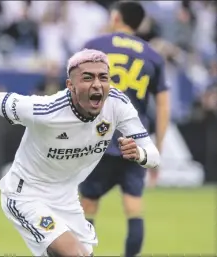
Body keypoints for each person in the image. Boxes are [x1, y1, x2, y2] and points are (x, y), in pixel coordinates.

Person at [0, 48, 160, 256]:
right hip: (25, 194)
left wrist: (139, 155)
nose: (97, 84)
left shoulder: (117, 105)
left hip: (67, 198)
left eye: (103, 77)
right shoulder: (46, 110)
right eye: (87, 78)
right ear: (70, 85)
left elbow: (154, 156)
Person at [78, 2, 170, 257]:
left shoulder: (94, 45)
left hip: (97, 140)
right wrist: (157, 151)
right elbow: (163, 108)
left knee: (87, 206)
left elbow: (73, 93)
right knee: (134, 209)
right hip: (134, 144)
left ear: (116, 17)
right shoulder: (152, 55)